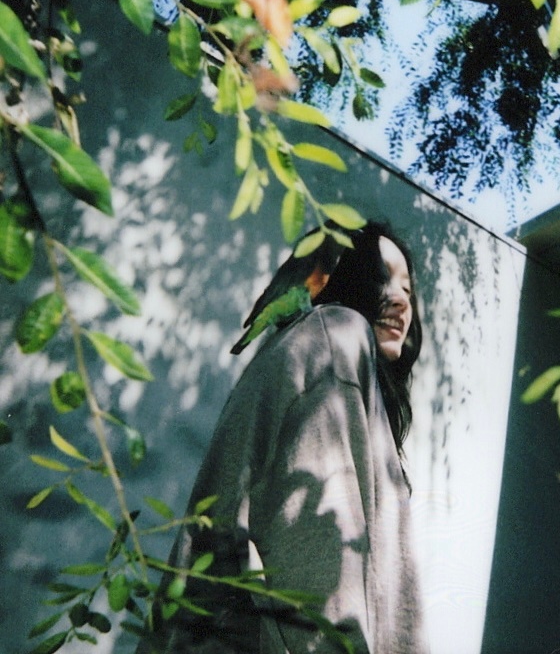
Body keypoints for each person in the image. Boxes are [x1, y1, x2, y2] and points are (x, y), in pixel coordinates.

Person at [138, 221, 430, 654]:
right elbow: (321, 560)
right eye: (381, 278)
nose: (402, 300)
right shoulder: (337, 336)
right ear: (344, 277)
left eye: (408, 288)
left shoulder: (320, 356)